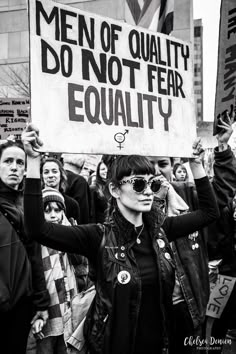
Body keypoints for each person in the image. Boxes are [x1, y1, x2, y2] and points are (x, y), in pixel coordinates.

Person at [22, 124, 219, 354]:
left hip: (161, 345)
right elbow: (37, 229)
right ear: (115, 190)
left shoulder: (161, 230)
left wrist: (196, 164)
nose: (148, 191)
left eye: (153, 184)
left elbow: (209, 213)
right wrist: (33, 162)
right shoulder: (98, 237)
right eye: (138, 183)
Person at [0, 140, 49, 354]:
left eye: (20, 162)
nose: (14, 167)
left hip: (21, 303)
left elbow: (35, 256)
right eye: (8, 161)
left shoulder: (26, 206)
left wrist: (41, 303)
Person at [31, 188, 78, 354]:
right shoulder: (35, 240)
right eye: (47, 211)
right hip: (48, 307)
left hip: (70, 304)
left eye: (58, 210)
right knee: (45, 348)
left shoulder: (70, 235)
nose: (53, 215)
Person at [41, 157, 81, 224]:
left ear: (61, 174)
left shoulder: (72, 204)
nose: (50, 175)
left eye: (54, 171)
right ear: (42, 176)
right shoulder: (36, 201)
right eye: (46, 172)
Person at [62, 153, 91, 224]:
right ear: (82, 165)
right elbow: (83, 211)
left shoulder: (55, 177)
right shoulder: (80, 181)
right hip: (74, 229)